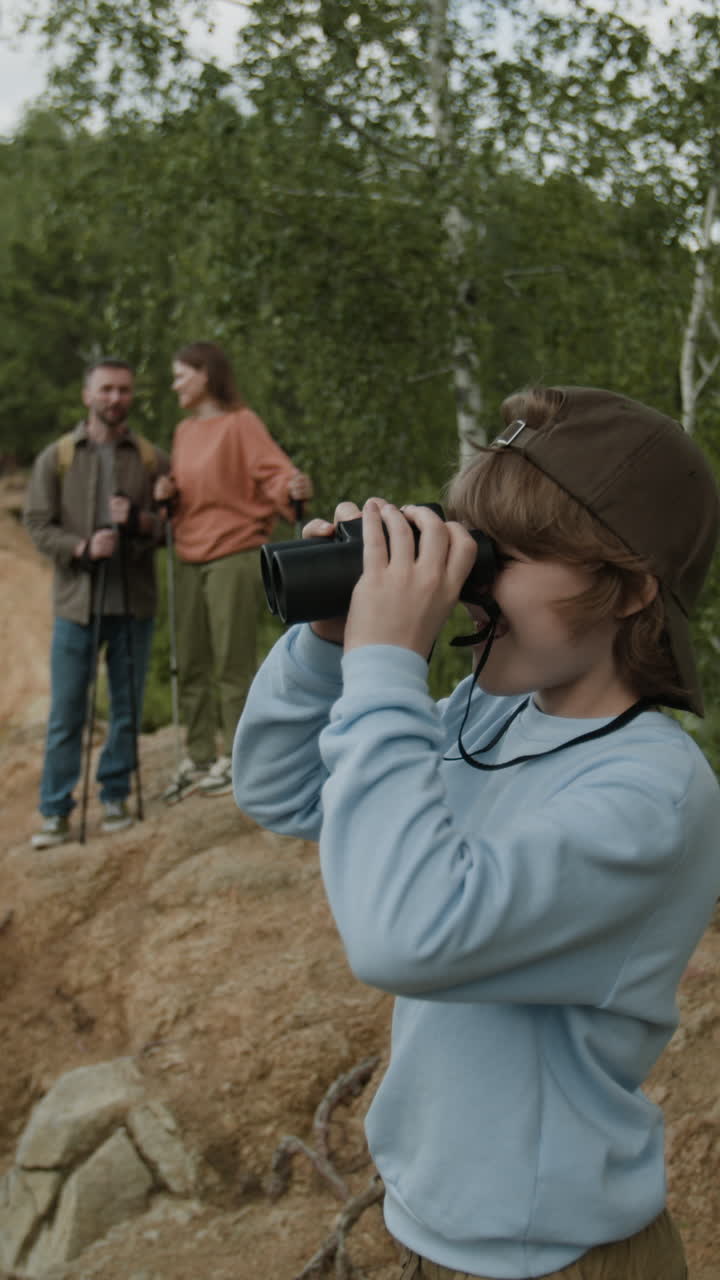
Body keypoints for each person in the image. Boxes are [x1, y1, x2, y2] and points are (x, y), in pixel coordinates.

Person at [232, 385, 720, 1280]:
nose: (469, 581)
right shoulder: (490, 718)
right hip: (438, 1225)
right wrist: (332, 644)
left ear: (629, 587)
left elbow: (406, 935)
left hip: (556, 1255)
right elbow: (283, 791)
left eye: (509, 556)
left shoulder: (653, 792)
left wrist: (388, 666)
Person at [154, 340, 313, 802]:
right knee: (190, 658)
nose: (174, 383)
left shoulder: (241, 424)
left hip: (234, 551)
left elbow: (275, 474)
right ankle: (200, 755)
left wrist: (293, 485)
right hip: (187, 553)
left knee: (230, 659)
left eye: (181, 374)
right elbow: (188, 492)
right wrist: (167, 492)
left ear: (205, 374)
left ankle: (238, 756)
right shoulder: (184, 432)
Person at [25, 358, 169, 848]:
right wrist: (82, 548)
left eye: (124, 390)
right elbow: (37, 525)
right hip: (76, 605)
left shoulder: (152, 458)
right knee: (68, 710)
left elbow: (171, 527)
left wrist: (137, 524)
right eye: (106, 389)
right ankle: (55, 811)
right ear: (87, 395)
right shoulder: (59, 457)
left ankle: (114, 795)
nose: (115, 398)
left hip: (134, 602)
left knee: (126, 708)